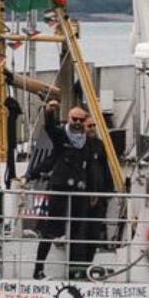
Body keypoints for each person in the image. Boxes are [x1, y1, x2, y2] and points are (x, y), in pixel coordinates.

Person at [33, 98, 111, 279]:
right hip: (60, 188)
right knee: (50, 230)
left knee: (78, 231)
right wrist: (50, 112)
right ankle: (38, 269)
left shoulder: (91, 143)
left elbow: (93, 167)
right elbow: (51, 130)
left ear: (85, 122)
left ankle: (75, 271)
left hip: (80, 191)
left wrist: (94, 192)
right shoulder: (62, 136)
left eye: (80, 120)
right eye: (73, 119)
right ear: (68, 119)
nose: (76, 123)